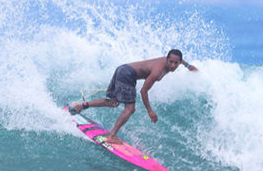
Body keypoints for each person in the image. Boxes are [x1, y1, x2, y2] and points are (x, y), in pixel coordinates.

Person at [70, 49, 198, 144]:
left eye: (176, 63)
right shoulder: (157, 72)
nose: (173, 66)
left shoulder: (175, 60)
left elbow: (179, 60)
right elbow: (143, 91)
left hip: (122, 69)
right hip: (128, 75)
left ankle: (81, 106)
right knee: (130, 109)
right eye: (171, 62)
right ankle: (112, 136)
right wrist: (150, 111)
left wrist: (188, 66)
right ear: (167, 59)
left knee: (113, 102)